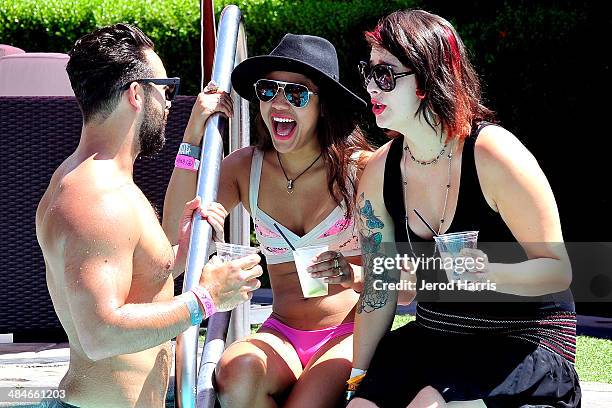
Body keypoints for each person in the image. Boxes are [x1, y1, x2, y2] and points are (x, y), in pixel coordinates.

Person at [347, 9, 581, 408]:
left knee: (430, 406)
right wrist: (357, 382)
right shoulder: (379, 172)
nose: (372, 86)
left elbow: (557, 269)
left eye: (385, 74)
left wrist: (486, 273)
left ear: (428, 76)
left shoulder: (493, 155)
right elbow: (380, 288)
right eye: (369, 73)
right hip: (437, 337)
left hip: (522, 340)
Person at [35, 24, 262, 408]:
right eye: (166, 88)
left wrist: (181, 252)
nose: (170, 102)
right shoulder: (98, 199)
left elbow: (134, 285)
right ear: (137, 93)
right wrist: (205, 299)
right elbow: (100, 334)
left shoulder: (94, 179)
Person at [163, 34, 373, 407]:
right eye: (268, 89)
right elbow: (173, 234)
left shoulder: (359, 172)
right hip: (282, 333)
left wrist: (353, 274)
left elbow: (399, 268)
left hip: (347, 330)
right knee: (236, 375)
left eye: (296, 94)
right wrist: (193, 134)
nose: (278, 102)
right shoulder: (246, 168)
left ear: (324, 105)